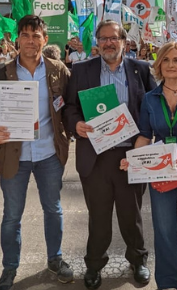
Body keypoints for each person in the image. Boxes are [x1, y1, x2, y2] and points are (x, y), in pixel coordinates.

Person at [63, 19, 155, 289]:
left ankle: (138, 260)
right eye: (103, 38)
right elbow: (69, 107)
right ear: (97, 42)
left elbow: (153, 106)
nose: (108, 43)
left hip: (130, 156)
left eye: (114, 38)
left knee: (131, 215)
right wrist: (76, 124)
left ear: (124, 42)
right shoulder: (82, 70)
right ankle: (94, 264)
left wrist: (146, 136)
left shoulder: (140, 69)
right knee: (98, 217)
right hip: (96, 157)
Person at [0, 15, 73, 289]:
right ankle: (10, 268)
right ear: (17, 40)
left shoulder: (59, 70)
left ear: (45, 40)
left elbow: (70, 106)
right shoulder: (1, 73)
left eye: (36, 36)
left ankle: (55, 259)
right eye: (25, 35)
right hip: (15, 156)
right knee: (12, 215)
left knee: (53, 209)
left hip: (49, 154)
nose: (31, 41)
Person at [121, 42, 177, 290]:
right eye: (166, 60)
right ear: (159, 65)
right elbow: (144, 134)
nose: (171, 65)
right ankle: (169, 281)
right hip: (161, 170)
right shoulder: (150, 99)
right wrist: (133, 158)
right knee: (164, 229)